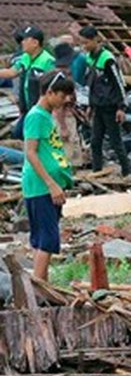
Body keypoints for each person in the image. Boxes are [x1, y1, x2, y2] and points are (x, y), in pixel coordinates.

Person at [21, 72, 75, 281]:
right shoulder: (35, 116)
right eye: (62, 96)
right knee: (48, 239)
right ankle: (37, 288)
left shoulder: (45, 115)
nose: (66, 100)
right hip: (41, 186)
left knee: (42, 239)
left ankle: (42, 286)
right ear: (49, 92)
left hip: (46, 185)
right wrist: (51, 184)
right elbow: (31, 152)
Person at [78, 26, 131, 175]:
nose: (85, 46)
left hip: (111, 106)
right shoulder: (90, 58)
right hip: (97, 106)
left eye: (87, 42)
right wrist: (89, 104)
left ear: (96, 40)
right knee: (95, 142)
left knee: (116, 142)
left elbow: (119, 83)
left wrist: (121, 107)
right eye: (82, 43)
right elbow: (91, 83)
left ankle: (127, 172)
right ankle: (97, 171)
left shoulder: (107, 59)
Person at [0, 26, 55, 139]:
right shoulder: (26, 57)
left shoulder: (48, 61)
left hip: (41, 111)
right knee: (18, 135)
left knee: (33, 140)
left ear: (35, 43)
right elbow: (11, 72)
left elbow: (54, 89)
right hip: (27, 108)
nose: (22, 43)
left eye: (25, 40)